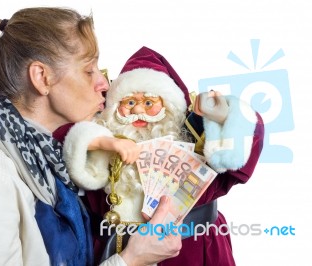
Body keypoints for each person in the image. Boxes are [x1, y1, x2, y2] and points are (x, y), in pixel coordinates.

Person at [0, 8, 182, 266]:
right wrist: (131, 259)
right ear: (42, 77)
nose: (104, 84)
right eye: (89, 70)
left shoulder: (52, 160)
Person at [61, 46, 264, 265]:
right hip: (115, 253)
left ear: (170, 108)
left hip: (192, 252)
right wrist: (101, 141)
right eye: (130, 103)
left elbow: (244, 151)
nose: (139, 111)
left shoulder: (196, 144)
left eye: (149, 103)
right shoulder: (101, 150)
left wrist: (227, 116)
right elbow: (61, 136)